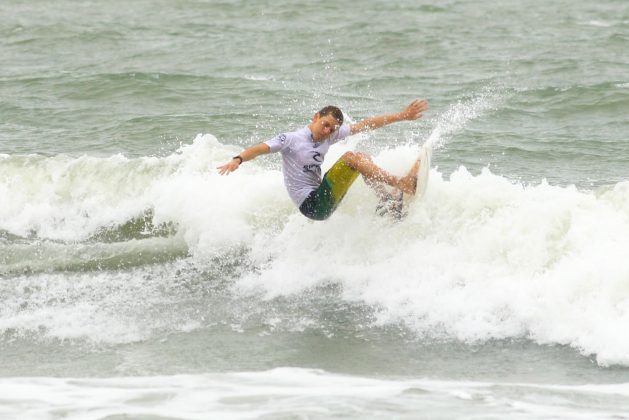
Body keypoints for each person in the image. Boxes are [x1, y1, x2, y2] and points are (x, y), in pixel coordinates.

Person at [217, 99, 429, 220]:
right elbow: (260, 149)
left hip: (322, 197)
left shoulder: (331, 134)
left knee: (361, 157)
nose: (327, 131)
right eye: (325, 124)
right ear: (316, 117)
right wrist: (238, 159)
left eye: (332, 129)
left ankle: (386, 201)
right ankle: (400, 183)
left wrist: (402, 116)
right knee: (350, 158)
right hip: (312, 205)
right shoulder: (291, 140)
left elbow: (366, 124)